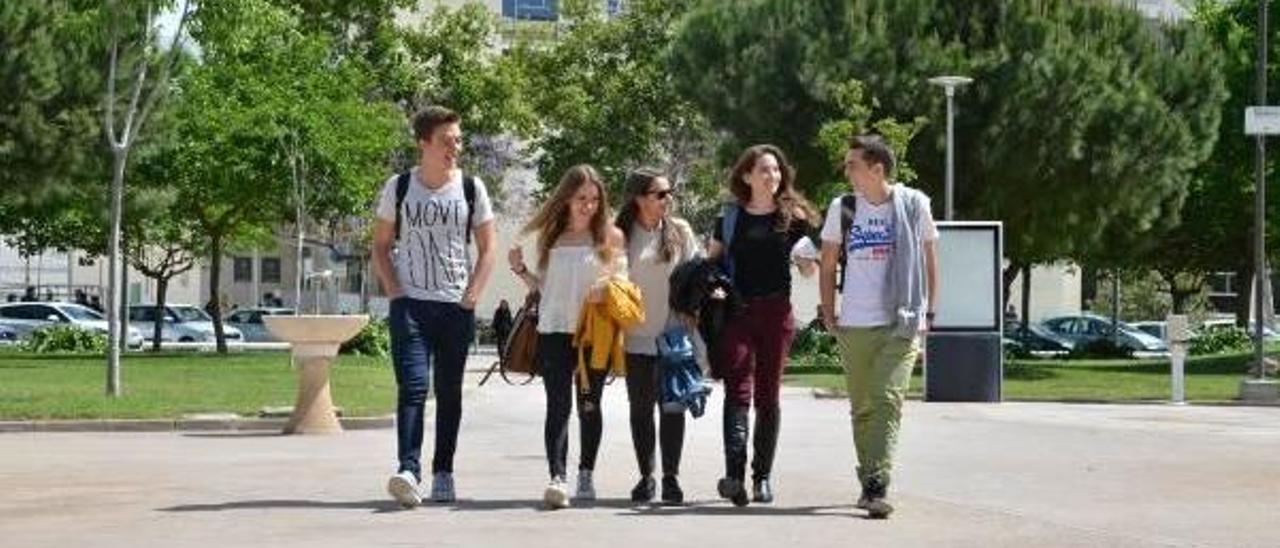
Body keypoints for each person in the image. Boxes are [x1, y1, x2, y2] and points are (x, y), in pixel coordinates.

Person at [372, 106, 498, 507]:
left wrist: (472, 296)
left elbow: (488, 248)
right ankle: (408, 468)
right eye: (446, 141)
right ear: (423, 143)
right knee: (412, 387)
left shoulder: (471, 188)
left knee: (448, 393)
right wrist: (395, 292)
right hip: (410, 306)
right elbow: (380, 244)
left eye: (458, 140)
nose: (455, 148)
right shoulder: (400, 186)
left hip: (454, 308)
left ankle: (444, 471)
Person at [818, 135, 939, 519]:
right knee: (863, 408)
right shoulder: (845, 206)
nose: (846, 170)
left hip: (900, 318)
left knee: (888, 398)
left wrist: (929, 312)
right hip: (855, 320)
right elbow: (828, 262)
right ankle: (868, 478)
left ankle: (878, 483)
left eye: (852, 164)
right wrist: (828, 308)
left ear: (877, 169)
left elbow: (929, 258)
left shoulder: (914, 204)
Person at [508, 164, 626, 510]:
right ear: (566, 199)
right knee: (557, 406)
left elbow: (624, 283)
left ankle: (586, 474)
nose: (588, 205)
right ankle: (556, 478)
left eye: (593, 199)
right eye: (580, 198)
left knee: (589, 406)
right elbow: (543, 289)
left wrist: (608, 287)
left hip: (593, 333)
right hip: (554, 331)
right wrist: (520, 270)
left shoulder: (610, 236)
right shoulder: (551, 235)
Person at [708, 144, 819, 506]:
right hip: (737, 311)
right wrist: (714, 288)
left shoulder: (794, 217)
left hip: (776, 312)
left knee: (768, 394)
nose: (772, 176)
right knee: (737, 388)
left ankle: (762, 477)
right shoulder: (729, 218)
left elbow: (808, 266)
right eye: (764, 170)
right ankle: (734, 476)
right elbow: (713, 264)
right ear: (746, 176)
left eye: (775, 170)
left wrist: (807, 262)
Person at [614, 168, 701, 504]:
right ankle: (645, 476)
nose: (668, 199)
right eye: (660, 194)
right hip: (635, 337)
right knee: (640, 411)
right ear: (639, 198)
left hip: (674, 336)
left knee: (673, 407)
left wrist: (695, 309)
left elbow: (695, 274)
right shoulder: (621, 233)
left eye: (670, 193)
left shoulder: (680, 231)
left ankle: (671, 479)